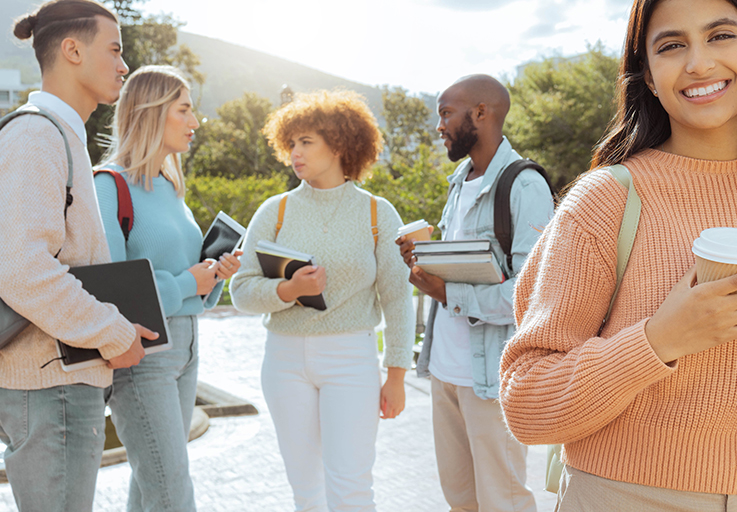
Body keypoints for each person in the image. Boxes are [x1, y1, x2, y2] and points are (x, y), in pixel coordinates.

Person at [498, 0, 737, 511]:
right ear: (647, 73)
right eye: (671, 45)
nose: (698, 62)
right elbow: (528, 403)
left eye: (720, 35)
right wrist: (660, 338)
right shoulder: (605, 201)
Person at [0, 0, 156, 512]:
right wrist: (111, 331)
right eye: (113, 50)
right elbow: (22, 269)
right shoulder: (35, 136)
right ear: (71, 50)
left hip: (61, 382)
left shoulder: (59, 136)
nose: (123, 65)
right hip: (52, 386)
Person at [230, 89, 414, 512]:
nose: (295, 152)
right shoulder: (274, 211)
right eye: (291, 142)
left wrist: (397, 375)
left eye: (306, 142)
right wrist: (288, 291)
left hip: (352, 357)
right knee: (306, 491)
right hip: (284, 360)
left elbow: (397, 298)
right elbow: (240, 290)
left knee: (350, 487)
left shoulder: (377, 213)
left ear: (340, 144)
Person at [396, 74, 553, 512]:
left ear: (481, 114)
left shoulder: (525, 186)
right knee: (460, 500)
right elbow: (465, 266)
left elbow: (530, 297)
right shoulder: (458, 181)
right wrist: (425, 261)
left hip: (490, 381)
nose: (440, 125)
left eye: (446, 113)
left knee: (502, 501)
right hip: (445, 372)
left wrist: (448, 292)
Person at [94, 65, 242, 511]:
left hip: (188, 347)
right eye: (184, 110)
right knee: (171, 491)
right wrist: (186, 282)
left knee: (151, 486)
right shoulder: (109, 185)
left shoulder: (170, 186)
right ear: (152, 113)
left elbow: (187, 277)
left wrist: (213, 274)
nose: (195, 122)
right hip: (144, 357)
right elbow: (111, 292)